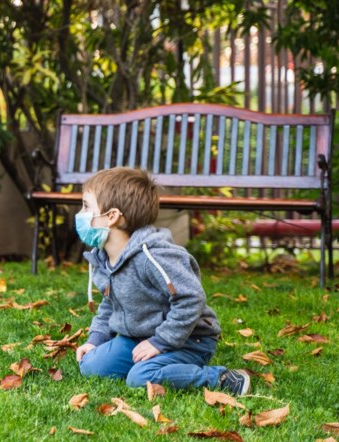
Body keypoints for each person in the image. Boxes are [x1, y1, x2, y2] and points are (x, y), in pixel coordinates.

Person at [73, 167, 250, 395]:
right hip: (138, 337)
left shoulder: (154, 256)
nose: (81, 214)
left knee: (140, 378)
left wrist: (159, 343)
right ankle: (158, 364)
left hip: (188, 339)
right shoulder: (104, 257)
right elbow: (111, 303)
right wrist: (95, 340)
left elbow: (191, 299)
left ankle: (222, 378)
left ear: (112, 217)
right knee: (91, 366)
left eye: (86, 206)